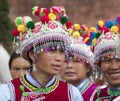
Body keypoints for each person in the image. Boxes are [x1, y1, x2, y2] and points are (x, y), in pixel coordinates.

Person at [0, 6, 83, 101]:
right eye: (52, 50)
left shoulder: (72, 94)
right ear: (32, 54)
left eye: (62, 52)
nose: (59, 58)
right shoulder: (7, 92)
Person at [61, 35, 99, 101]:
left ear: (87, 67)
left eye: (76, 61)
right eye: (65, 61)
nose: (69, 66)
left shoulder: (98, 93)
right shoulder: (57, 92)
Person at [90, 25, 120, 100]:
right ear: (99, 64)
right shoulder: (97, 95)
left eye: (119, 60)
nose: (114, 66)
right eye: (107, 60)